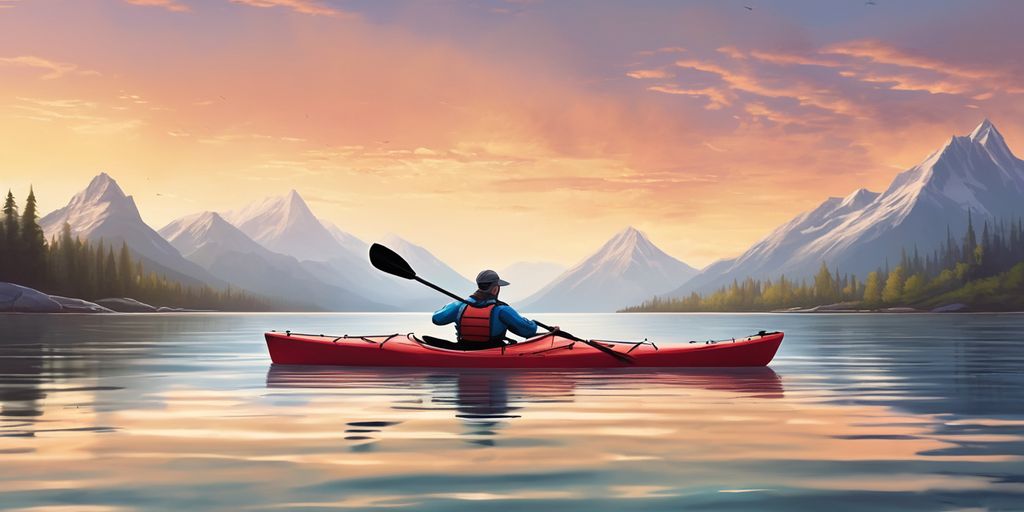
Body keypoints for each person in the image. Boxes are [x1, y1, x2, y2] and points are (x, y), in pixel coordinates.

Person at [432, 270, 540, 349]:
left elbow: (437, 319)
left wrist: (449, 307)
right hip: (493, 351)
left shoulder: (460, 305)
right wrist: (533, 323)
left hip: (464, 349)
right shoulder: (502, 310)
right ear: (494, 289)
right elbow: (529, 331)